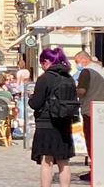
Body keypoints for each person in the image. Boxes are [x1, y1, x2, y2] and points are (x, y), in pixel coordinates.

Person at [29, 48, 76, 187]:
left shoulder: (44, 78)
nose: (41, 66)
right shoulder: (69, 77)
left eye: (42, 63)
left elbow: (36, 103)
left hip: (46, 122)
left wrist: (31, 98)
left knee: (47, 161)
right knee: (63, 160)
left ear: (47, 62)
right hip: (65, 122)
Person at [74, 51, 104, 182]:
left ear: (84, 60)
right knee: (101, 142)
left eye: (77, 62)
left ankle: (94, 170)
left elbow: (82, 91)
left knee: (91, 141)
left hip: (90, 110)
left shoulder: (86, 72)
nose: (77, 65)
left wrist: (72, 90)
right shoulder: (100, 69)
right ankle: (102, 168)